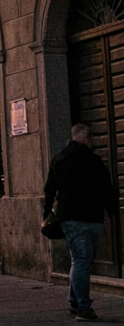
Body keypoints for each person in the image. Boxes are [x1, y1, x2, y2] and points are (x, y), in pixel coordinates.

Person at [44, 122, 118, 322]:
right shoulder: (94, 160)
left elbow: (50, 189)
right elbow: (106, 189)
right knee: (82, 262)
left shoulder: (59, 159)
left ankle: (75, 302)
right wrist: (111, 214)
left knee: (79, 260)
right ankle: (83, 308)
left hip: (68, 217)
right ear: (87, 138)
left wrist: (46, 213)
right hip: (90, 217)